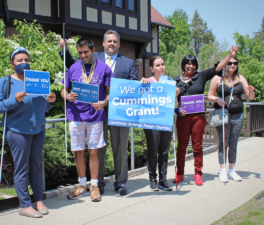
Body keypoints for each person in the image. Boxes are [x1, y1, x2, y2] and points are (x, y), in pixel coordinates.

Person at [59, 30, 138, 195]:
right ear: (102, 44)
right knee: (97, 149)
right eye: (108, 41)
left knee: (120, 148)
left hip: (118, 111)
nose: (111, 44)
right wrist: (64, 51)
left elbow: (134, 85)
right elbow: (74, 64)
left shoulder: (128, 63)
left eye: (114, 41)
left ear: (119, 44)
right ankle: (98, 183)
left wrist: (143, 82)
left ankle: (121, 183)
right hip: (94, 111)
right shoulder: (92, 57)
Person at [0, 47, 56, 218]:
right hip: (17, 130)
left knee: (36, 166)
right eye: (20, 60)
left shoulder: (37, 80)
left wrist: (50, 102)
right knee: (22, 168)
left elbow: (41, 106)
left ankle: (39, 200)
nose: (24, 63)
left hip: (38, 129)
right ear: (12, 64)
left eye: (26, 60)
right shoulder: (5, 82)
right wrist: (14, 100)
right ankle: (24, 205)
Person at [173, 45, 239, 186]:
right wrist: (177, 110)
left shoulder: (201, 76)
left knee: (197, 146)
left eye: (193, 64)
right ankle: (179, 174)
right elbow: (171, 101)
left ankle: (198, 173)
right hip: (182, 118)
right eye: (188, 63)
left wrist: (229, 56)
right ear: (183, 65)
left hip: (198, 118)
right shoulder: (175, 80)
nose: (190, 66)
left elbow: (217, 69)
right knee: (182, 146)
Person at [60, 37, 113, 202]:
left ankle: (95, 185)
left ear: (93, 50)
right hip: (75, 116)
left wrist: (104, 102)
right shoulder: (73, 68)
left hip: (95, 117)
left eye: (86, 52)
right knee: (78, 152)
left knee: (93, 151)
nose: (83, 55)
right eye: (80, 52)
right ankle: (82, 184)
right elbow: (63, 89)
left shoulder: (104, 68)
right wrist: (66, 96)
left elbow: (112, 93)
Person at [208, 56, 255, 182]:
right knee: (224, 143)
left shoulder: (240, 78)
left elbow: (250, 96)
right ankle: (222, 170)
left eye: (235, 63)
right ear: (225, 64)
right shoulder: (218, 79)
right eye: (229, 63)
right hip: (223, 115)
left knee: (233, 143)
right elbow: (209, 96)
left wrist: (251, 91)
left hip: (238, 115)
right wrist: (217, 99)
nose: (232, 65)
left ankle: (232, 170)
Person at [141, 56, 181, 191]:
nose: (161, 67)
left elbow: (175, 106)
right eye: (158, 65)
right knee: (153, 151)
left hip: (166, 120)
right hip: (151, 121)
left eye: (163, 64)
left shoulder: (169, 82)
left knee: (164, 151)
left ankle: (163, 180)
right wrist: (142, 84)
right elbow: (139, 97)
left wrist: (175, 96)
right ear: (151, 68)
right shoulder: (147, 81)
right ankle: (152, 179)